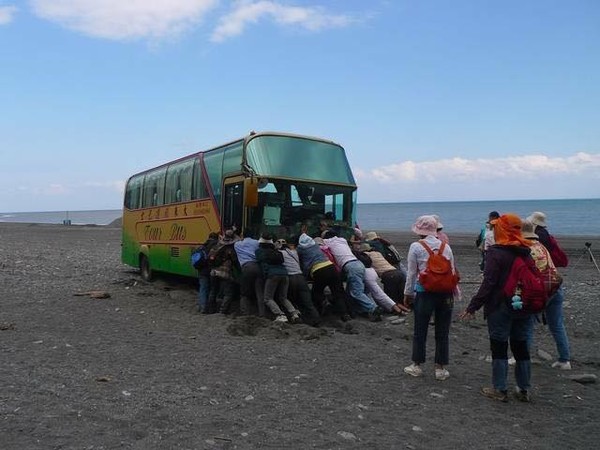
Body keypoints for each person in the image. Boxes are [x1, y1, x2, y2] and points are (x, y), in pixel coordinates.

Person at [460, 213, 534, 402]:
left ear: (502, 229)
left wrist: (473, 306)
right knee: (521, 346)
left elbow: (489, 282)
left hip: (500, 306)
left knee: (499, 346)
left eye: (495, 227)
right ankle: (523, 389)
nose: (493, 230)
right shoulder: (526, 250)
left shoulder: (496, 252)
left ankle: (500, 389)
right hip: (523, 305)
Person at [403, 215, 457, 381]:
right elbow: (452, 271)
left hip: (425, 292)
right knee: (443, 331)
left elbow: (412, 273)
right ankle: (440, 368)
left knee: (420, 329)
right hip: (445, 293)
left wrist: (408, 293)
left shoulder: (416, 246)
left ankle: (417, 365)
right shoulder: (445, 246)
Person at [522, 218, 571, 370]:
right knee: (557, 325)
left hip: (542, 291)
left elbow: (526, 273)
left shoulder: (526, 248)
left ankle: (522, 358)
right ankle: (565, 360)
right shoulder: (541, 245)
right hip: (555, 286)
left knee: (527, 324)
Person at [322, 230, 382, 321]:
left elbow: (320, 242)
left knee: (356, 292)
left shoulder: (327, 242)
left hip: (350, 266)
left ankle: (373, 308)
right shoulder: (342, 240)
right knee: (349, 293)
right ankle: (354, 311)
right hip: (358, 264)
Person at [296, 232, 352, 322]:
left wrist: (305, 275)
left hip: (319, 270)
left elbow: (304, 264)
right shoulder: (315, 245)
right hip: (331, 267)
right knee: (337, 293)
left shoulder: (300, 248)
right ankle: (345, 314)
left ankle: (321, 308)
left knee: (316, 293)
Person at [255, 234, 300, 323]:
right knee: (283, 297)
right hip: (285, 274)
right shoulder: (276, 251)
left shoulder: (259, 251)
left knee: (268, 298)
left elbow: (261, 263)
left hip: (273, 275)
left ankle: (280, 315)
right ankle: (294, 314)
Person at [276, 238, 321, 326]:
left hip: (290, 279)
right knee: (308, 302)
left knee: (291, 300)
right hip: (301, 278)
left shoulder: (279, 254)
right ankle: (316, 320)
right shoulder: (294, 252)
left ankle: (296, 317)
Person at [358, 243, 408, 315]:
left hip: (389, 275)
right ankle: (407, 308)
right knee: (400, 295)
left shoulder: (366, 255)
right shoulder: (378, 253)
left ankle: (398, 311)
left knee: (391, 298)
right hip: (397, 272)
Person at [207, 229, 241, 314]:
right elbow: (235, 262)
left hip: (213, 272)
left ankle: (210, 309)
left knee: (213, 290)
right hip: (225, 273)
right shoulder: (230, 249)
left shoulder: (216, 246)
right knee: (228, 293)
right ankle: (223, 311)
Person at [234, 229, 265, 317]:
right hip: (258, 267)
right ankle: (262, 314)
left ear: (243, 235)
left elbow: (234, 240)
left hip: (246, 268)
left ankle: (245, 314)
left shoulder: (237, 244)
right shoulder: (257, 243)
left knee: (244, 292)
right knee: (259, 292)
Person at [196, 232, 219, 313]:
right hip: (213, 270)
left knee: (203, 288)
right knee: (213, 289)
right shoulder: (217, 246)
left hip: (202, 270)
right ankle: (211, 308)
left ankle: (203, 307)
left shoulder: (202, 246)